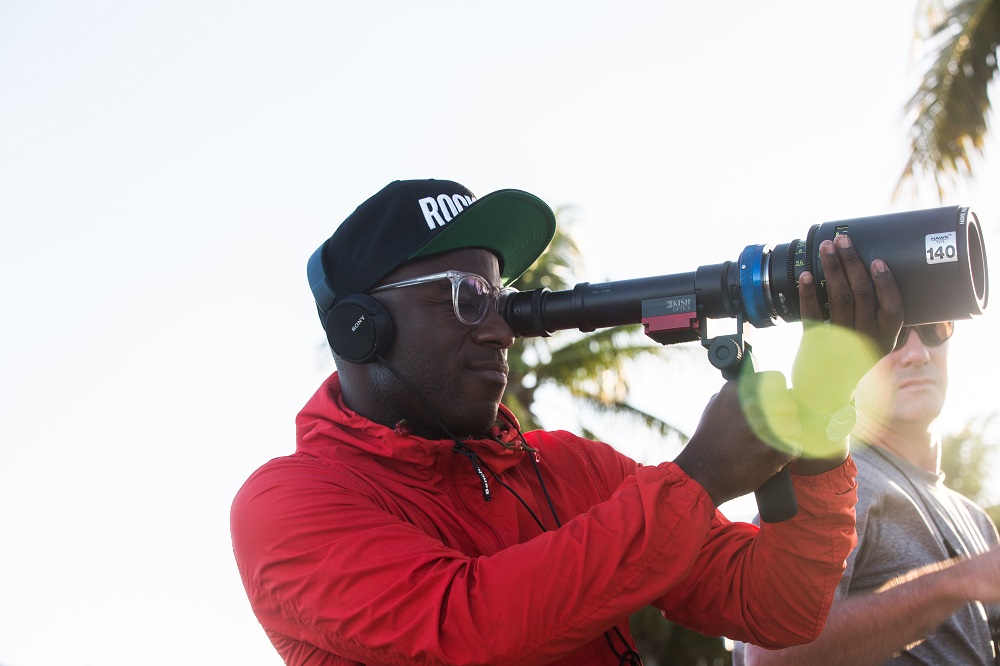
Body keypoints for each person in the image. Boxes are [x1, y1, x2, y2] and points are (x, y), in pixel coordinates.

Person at [230, 179, 904, 666]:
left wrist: (819, 417)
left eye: (502, 299)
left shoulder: (568, 467)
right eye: (465, 299)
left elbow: (778, 607)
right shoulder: (287, 503)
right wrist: (696, 479)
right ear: (361, 329)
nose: (499, 329)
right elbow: (470, 630)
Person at [736, 322, 1000, 665]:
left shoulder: (977, 520)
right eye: (895, 333)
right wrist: (958, 582)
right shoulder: (826, 483)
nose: (917, 354)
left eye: (935, 328)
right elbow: (769, 656)